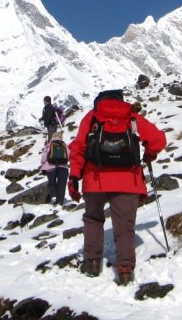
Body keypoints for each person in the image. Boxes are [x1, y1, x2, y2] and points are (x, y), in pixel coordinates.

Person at [67, 89, 167, 285]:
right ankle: (125, 269)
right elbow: (158, 140)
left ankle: (92, 263)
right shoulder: (131, 116)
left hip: (94, 178)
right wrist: (149, 155)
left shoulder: (92, 117)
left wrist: (74, 177)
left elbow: (78, 147)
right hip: (127, 179)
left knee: (94, 219)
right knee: (124, 226)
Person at [40, 128, 70, 207]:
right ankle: (60, 201)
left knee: (52, 183)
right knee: (62, 184)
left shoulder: (49, 144)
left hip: (50, 166)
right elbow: (69, 155)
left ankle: (53, 197)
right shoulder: (64, 145)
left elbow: (44, 157)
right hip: (63, 167)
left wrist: (43, 167)